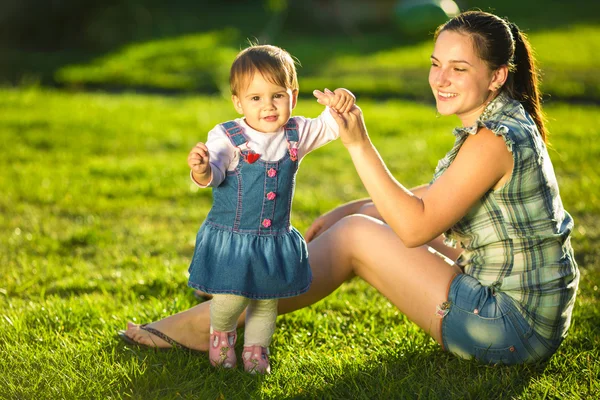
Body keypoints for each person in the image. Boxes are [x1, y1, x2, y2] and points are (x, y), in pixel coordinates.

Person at [121, 11, 579, 366]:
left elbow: (417, 226)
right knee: (351, 222)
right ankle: (236, 296)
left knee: (356, 236)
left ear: (497, 75)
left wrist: (358, 142)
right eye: (436, 64)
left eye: (458, 68)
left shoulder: (491, 140)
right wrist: (354, 207)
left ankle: (209, 324)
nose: (439, 79)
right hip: (530, 310)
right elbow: (442, 196)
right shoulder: (503, 122)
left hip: (509, 326)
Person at [119, 44, 355, 374]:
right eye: (256, 98)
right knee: (230, 298)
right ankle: (221, 335)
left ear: (293, 96)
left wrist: (342, 99)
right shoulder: (227, 136)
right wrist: (201, 169)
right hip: (235, 239)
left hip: (272, 239)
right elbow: (213, 172)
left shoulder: (296, 133)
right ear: (238, 102)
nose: (268, 106)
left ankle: (257, 350)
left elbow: (331, 124)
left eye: (277, 95)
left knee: (266, 301)